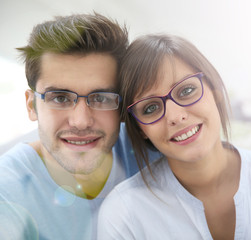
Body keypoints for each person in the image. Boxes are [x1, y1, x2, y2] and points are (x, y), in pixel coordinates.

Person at [97, 34, 251, 240]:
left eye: (186, 90)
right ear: (140, 128)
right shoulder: (123, 214)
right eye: (150, 108)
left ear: (214, 90)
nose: (175, 116)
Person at [0, 12, 159, 240]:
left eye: (102, 98)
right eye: (60, 98)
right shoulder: (6, 193)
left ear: (122, 106)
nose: (81, 121)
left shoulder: (153, 150)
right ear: (31, 105)